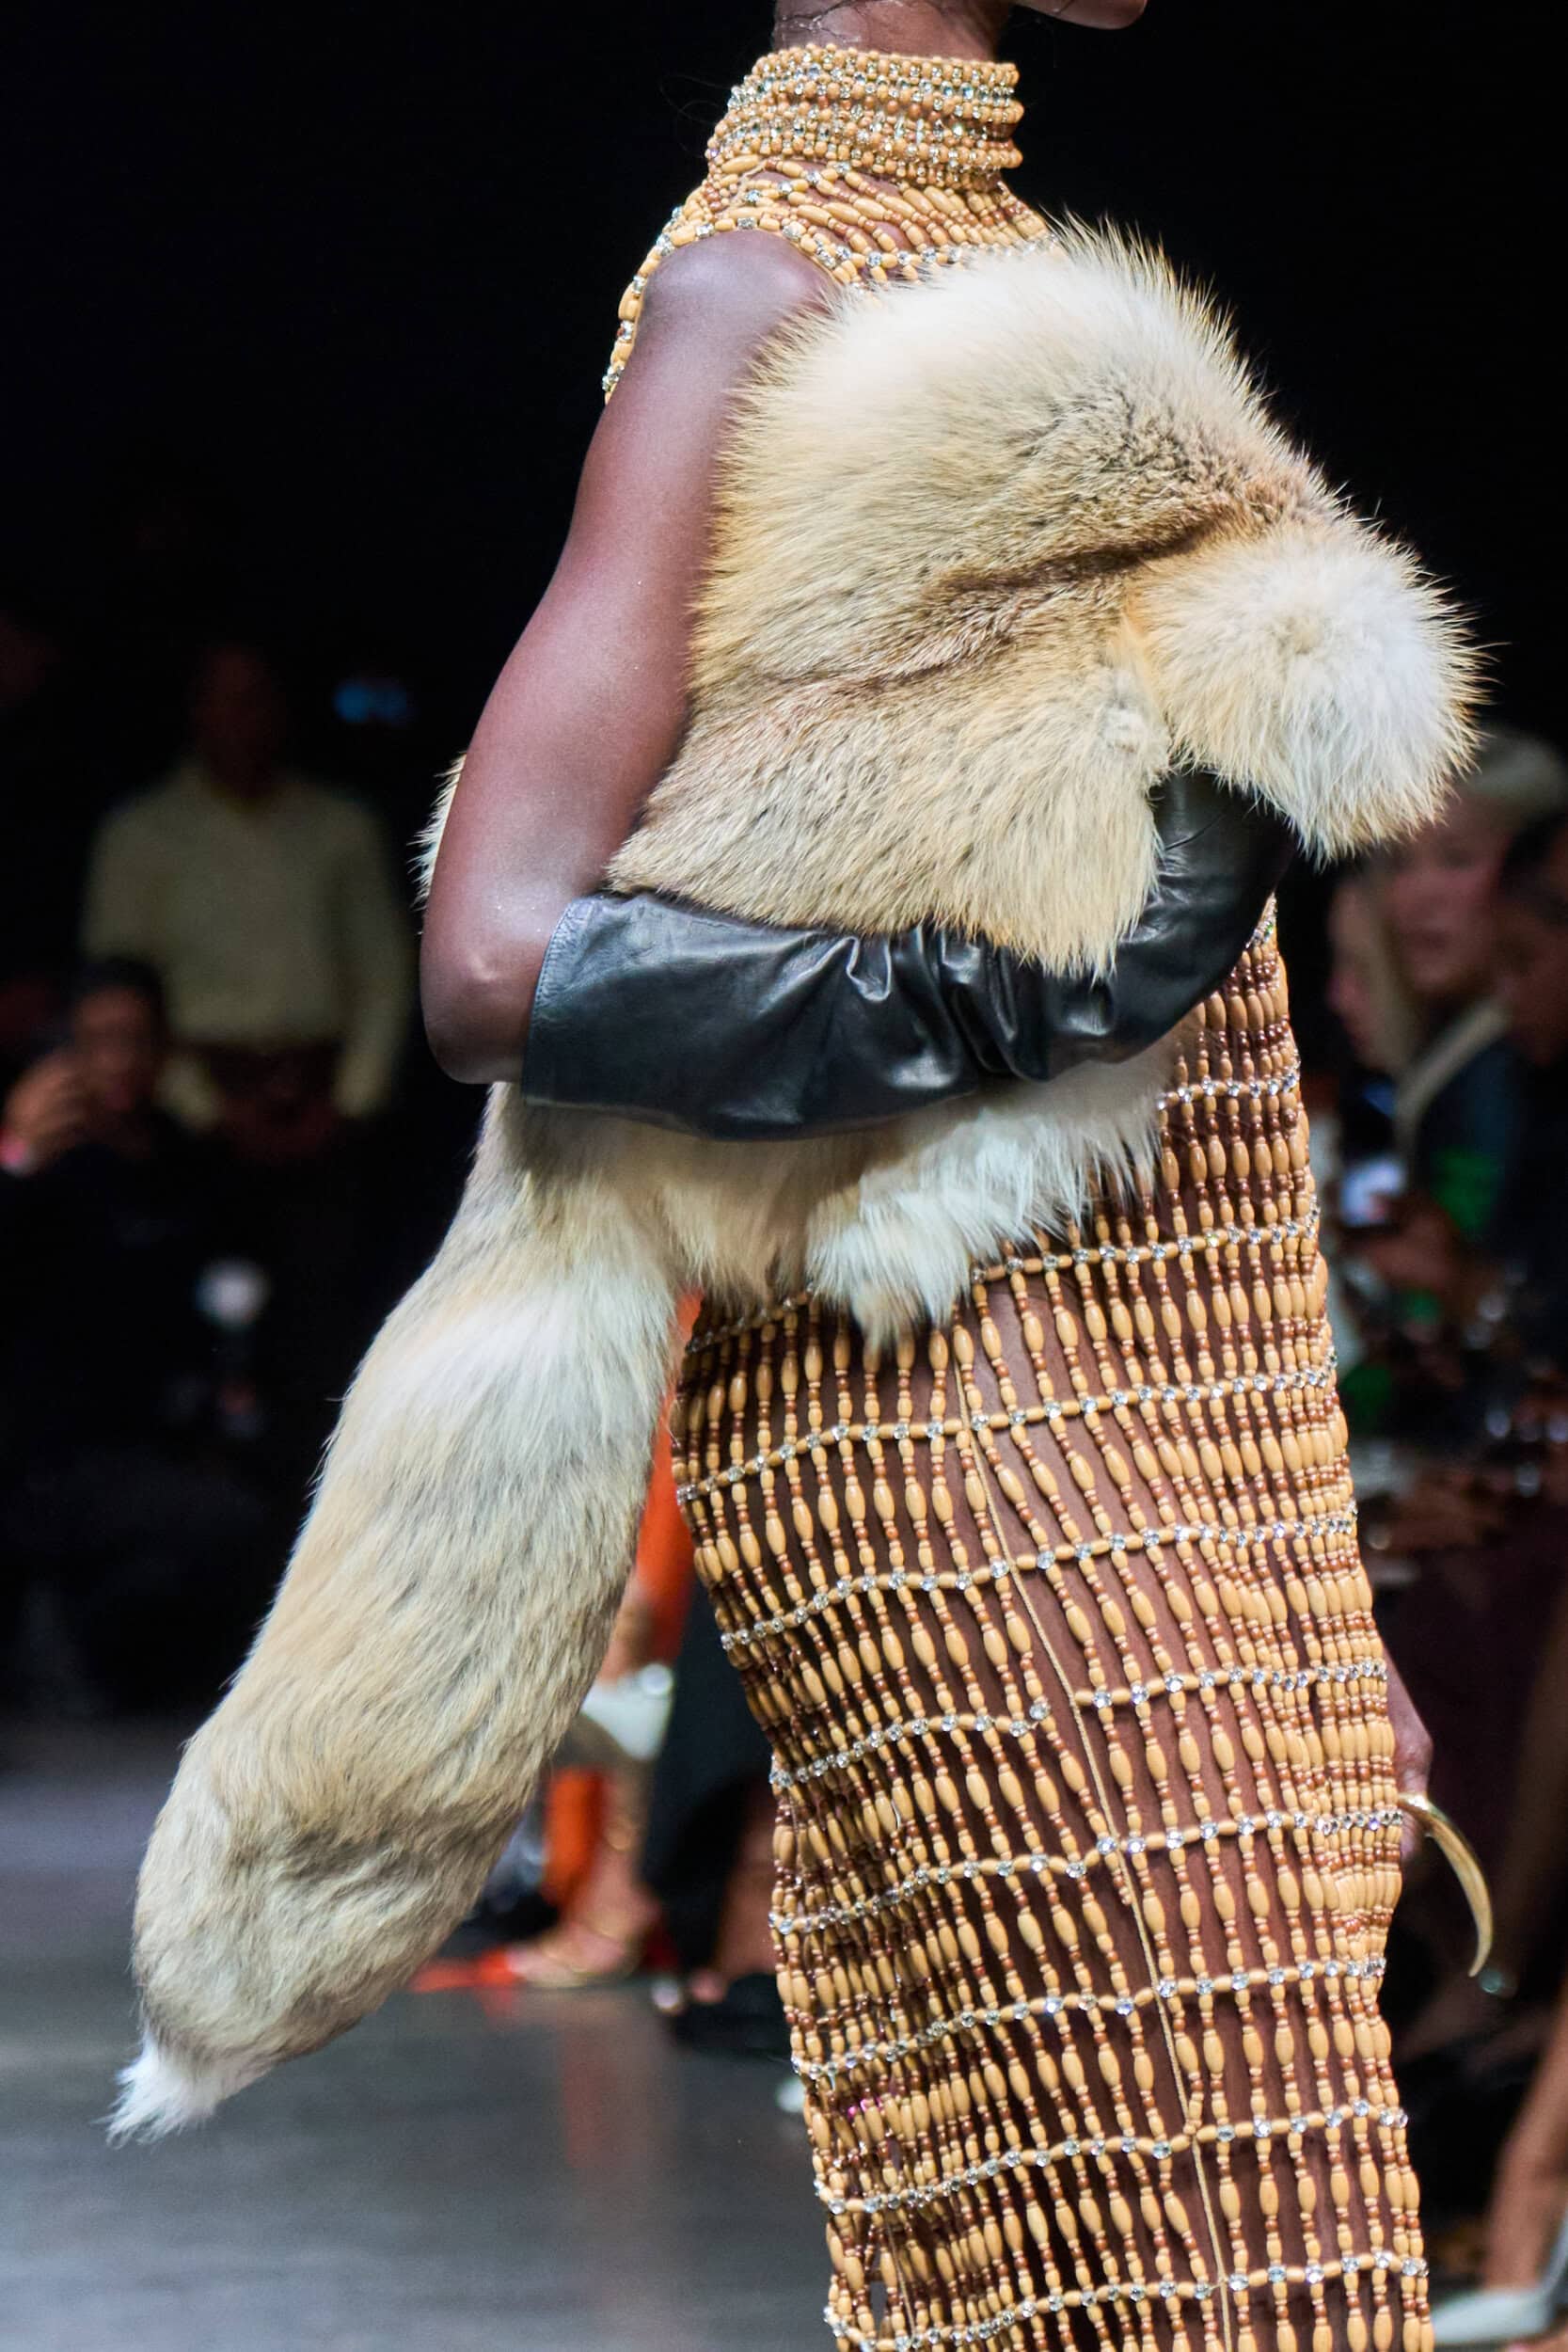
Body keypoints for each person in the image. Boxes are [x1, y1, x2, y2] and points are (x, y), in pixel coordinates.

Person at [120, 11, 1470, 2352]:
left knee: (1134, 2257)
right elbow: (494, 954)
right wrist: (1026, 986)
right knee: (1226, 2250)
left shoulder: (998, 261)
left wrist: (1312, 1589)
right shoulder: (753, 286)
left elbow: (1210, 1113)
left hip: (1182, 1430)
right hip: (956, 1428)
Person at [0, 961, 271, 1708]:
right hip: (54, 1456)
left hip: (164, 1437)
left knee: (242, 1517)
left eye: (134, 1039)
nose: (118, 1060)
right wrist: (16, 1160)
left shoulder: (188, 1161)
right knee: (219, 1524)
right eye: (98, 1041)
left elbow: (230, 1294)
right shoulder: (40, 1165)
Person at [81, 637, 413, 1146]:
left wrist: (352, 1102)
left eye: (255, 697)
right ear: (194, 708)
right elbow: (116, 992)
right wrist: (202, 1112)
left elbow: (384, 975)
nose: (240, 717)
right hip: (182, 1111)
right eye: (223, 698)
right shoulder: (140, 835)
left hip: (322, 1097)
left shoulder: (342, 828)